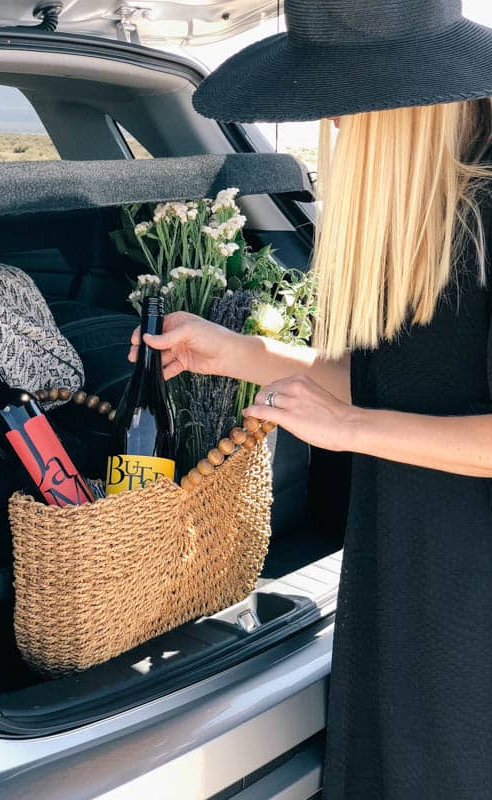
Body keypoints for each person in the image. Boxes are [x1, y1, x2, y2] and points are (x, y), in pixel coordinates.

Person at [129, 1, 492, 798]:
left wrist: (355, 429)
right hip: (404, 585)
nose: (330, 124)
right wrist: (243, 354)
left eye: (339, 103)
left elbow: (374, 414)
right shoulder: (432, 206)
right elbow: (394, 386)